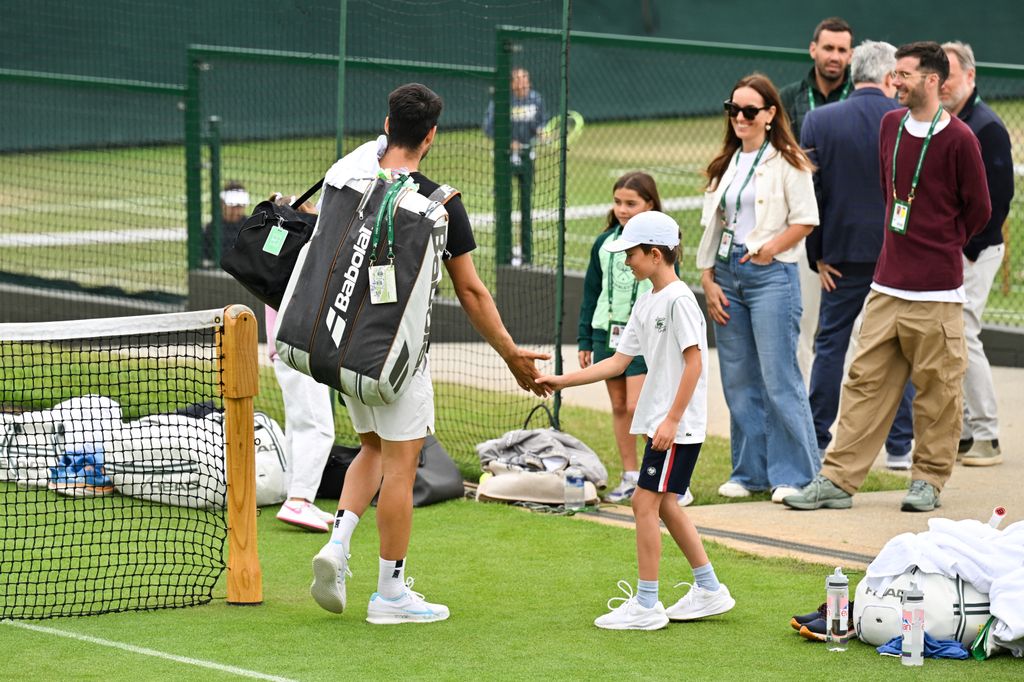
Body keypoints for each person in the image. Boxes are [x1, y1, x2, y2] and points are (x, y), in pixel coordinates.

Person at [309, 83, 551, 624]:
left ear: (386, 123)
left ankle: (339, 542)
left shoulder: (347, 179)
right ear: (433, 136)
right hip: (398, 359)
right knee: (401, 465)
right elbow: (471, 291)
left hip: (345, 348)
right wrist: (511, 353)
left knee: (370, 449)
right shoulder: (441, 203)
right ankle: (389, 594)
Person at [784, 42, 991, 513]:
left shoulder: (960, 139)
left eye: (904, 75)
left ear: (933, 81)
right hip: (886, 286)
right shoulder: (889, 126)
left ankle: (927, 482)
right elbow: (889, 188)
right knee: (863, 385)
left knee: (938, 393)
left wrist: (941, 240)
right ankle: (837, 480)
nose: (893, 82)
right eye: (893, 73)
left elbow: (979, 211)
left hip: (937, 292)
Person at [538, 211, 735, 631]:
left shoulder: (679, 301)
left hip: (675, 428)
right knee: (663, 503)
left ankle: (647, 605)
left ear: (656, 254)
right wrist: (562, 381)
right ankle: (710, 588)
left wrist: (671, 420)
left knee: (643, 502)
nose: (627, 261)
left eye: (632, 254)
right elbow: (618, 361)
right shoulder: (648, 299)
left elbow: (695, 365)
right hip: (664, 426)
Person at [696, 73, 820, 503]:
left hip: (771, 276)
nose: (740, 118)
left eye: (750, 111)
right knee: (739, 378)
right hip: (727, 276)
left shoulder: (789, 162)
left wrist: (770, 250)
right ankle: (749, 472)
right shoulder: (725, 164)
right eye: (734, 110)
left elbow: (806, 219)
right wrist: (708, 278)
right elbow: (715, 226)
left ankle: (797, 474)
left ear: (770, 114)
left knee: (778, 375)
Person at [800, 41, 916, 471]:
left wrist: (818, 256)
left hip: (841, 255)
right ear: (889, 78)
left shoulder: (820, 119)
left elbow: (811, 194)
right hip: (896, 254)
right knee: (899, 347)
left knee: (830, 345)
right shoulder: (906, 120)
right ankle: (900, 445)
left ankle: (816, 436)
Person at [577, 172, 691, 506]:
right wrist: (585, 338)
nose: (622, 209)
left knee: (638, 405)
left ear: (650, 205)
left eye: (631, 203)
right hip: (605, 334)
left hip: (644, 338)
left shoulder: (659, 248)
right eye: (617, 202)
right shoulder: (604, 243)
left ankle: (664, 476)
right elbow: (590, 291)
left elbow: (671, 293)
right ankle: (630, 475)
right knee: (618, 406)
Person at [941, 41, 1014, 467]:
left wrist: (967, 247)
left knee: (964, 332)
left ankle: (986, 434)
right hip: (953, 251)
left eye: (950, 74)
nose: (944, 82)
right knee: (950, 337)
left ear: (971, 76)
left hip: (977, 251)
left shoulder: (986, 126)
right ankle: (966, 432)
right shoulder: (945, 122)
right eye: (939, 74)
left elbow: (999, 198)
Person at [779, 17, 855, 379]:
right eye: (828, 48)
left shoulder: (860, 98)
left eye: (842, 50)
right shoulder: (789, 98)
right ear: (813, 49)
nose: (835, 56)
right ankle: (803, 419)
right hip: (800, 229)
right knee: (801, 328)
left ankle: (852, 423)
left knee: (857, 334)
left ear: (851, 55)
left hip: (849, 231)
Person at [483, 67, 546, 265]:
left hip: (528, 156)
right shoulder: (501, 100)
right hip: (505, 156)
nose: (522, 81)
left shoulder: (536, 99)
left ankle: (526, 253)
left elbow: (540, 124)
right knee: (504, 203)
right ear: (511, 83)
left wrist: (542, 132)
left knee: (526, 203)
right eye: (518, 78)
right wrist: (508, 142)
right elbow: (489, 127)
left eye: (525, 77)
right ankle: (505, 252)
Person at [202, 180, 249, 267]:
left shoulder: (251, 228)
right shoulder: (211, 229)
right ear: (222, 204)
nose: (237, 210)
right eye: (233, 206)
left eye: (240, 206)